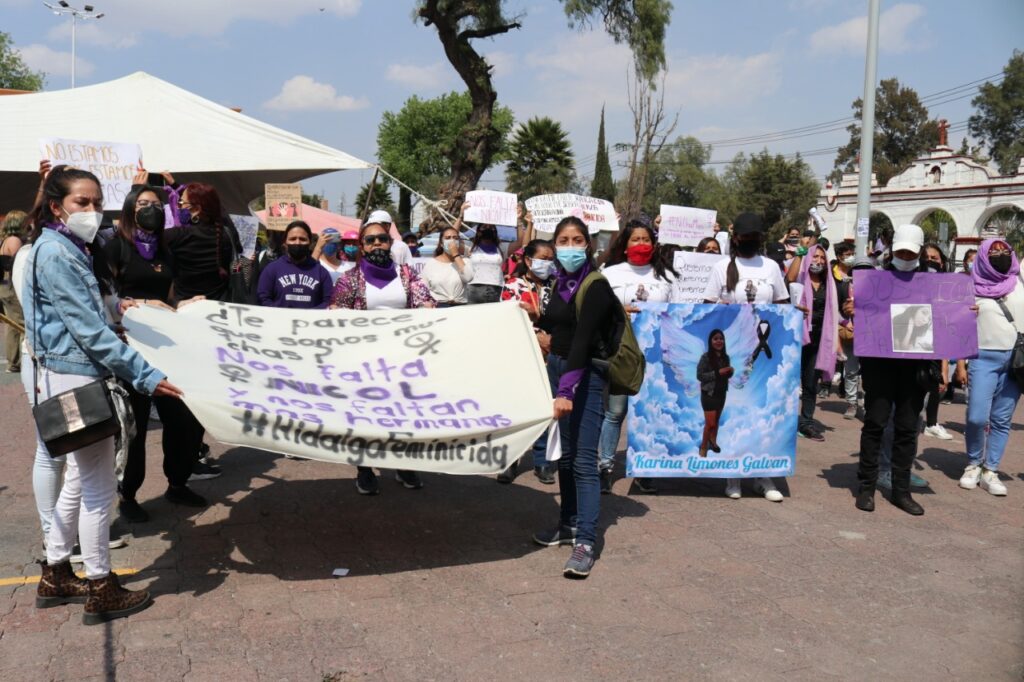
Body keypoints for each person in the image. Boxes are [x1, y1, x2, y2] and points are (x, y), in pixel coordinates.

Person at [24, 165, 183, 624]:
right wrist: (146, 375)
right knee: (96, 486)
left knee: (76, 480)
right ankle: (100, 585)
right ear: (57, 206)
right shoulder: (56, 252)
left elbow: (88, 312)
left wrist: (117, 304)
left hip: (65, 373)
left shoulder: (64, 247)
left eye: (97, 202)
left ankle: (56, 571)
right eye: (81, 202)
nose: (92, 210)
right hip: (77, 377)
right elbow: (90, 331)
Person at [106, 185, 210, 521]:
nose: (151, 209)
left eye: (156, 203)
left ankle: (177, 482)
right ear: (129, 209)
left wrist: (186, 305)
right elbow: (104, 297)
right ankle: (129, 494)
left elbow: (170, 296)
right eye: (144, 204)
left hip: (165, 349)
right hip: (129, 350)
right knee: (134, 426)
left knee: (182, 418)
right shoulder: (114, 247)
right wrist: (135, 307)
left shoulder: (165, 251)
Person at [531, 216, 616, 579]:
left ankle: (586, 540)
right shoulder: (560, 282)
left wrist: (567, 390)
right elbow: (558, 325)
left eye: (576, 239)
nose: (569, 246)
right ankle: (566, 523)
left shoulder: (595, 285)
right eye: (563, 240)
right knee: (563, 456)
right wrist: (531, 318)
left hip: (585, 377)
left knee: (583, 461)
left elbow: (582, 340)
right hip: (559, 368)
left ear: (589, 245)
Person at [329, 220, 435, 494]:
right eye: (370, 240)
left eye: (382, 239)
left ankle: (403, 464)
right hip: (363, 362)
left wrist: (427, 309)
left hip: (403, 360)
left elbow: (426, 302)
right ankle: (364, 468)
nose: (377, 243)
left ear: (390, 243)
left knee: (402, 413)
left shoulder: (407, 275)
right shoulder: (350, 279)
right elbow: (335, 312)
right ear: (361, 247)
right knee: (365, 415)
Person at [703, 212, 789, 502]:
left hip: (764, 354)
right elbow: (705, 310)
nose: (750, 241)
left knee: (763, 410)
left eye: (755, 237)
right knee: (736, 410)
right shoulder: (721, 268)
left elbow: (783, 307)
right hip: (733, 355)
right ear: (736, 238)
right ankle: (733, 474)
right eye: (745, 237)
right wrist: (722, 307)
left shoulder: (772, 267)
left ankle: (763, 475)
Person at [854, 223, 932, 515]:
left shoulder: (931, 283)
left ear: (920, 252)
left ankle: (901, 490)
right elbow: (864, 315)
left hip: (914, 368)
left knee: (907, 428)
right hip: (880, 365)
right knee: (875, 423)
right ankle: (866, 487)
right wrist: (854, 310)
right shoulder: (875, 281)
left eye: (910, 253)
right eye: (900, 251)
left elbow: (947, 320)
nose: (905, 257)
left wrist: (964, 312)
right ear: (891, 250)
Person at [597, 221, 674, 494]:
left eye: (646, 239)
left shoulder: (666, 278)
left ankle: (645, 469)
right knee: (615, 412)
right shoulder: (610, 273)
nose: (641, 244)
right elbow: (599, 308)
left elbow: (677, 315)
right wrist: (620, 312)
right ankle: (605, 466)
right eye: (635, 239)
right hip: (622, 353)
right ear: (625, 244)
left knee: (649, 414)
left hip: (656, 356)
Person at [165, 182, 234, 480]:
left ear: (195, 208)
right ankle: (193, 455)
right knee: (201, 396)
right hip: (212, 329)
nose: (177, 206)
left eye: (182, 202)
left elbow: (140, 237)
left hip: (180, 326)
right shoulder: (223, 238)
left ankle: (185, 463)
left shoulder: (179, 236)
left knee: (180, 401)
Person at [959, 238, 1022, 497]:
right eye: (993, 251)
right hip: (982, 357)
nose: (999, 255)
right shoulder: (968, 287)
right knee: (976, 417)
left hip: (1016, 360)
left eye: (1004, 251)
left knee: (1001, 419)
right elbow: (958, 328)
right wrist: (960, 364)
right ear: (983, 257)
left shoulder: (1019, 282)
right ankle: (973, 463)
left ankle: (990, 469)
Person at [497, 238, 557, 485]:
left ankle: (542, 461)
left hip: (552, 354)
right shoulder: (513, 286)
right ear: (528, 260)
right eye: (542, 258)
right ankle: (511, 460)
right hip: (522, 353)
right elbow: (507, 320)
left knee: (546, 408)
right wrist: (537, 337)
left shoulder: (559, 286)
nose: (547, 263)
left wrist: (551, 337)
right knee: (518, 408)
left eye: (550, 258)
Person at [794, 244, 839, 441]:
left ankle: (806, 423)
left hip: (819, 341)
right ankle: (781, 421)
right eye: (815, 257)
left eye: (822, 258)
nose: (818, 261)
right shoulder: (799, 281)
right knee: (789, 383)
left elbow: (837, 312)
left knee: (811, 383)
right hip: (796, 339)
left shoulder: (830, 284)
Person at [257, 221, 333, 309]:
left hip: (310, 322)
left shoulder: (321, 272)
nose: (298, 242)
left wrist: (309, 315)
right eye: (292, 239)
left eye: (303, 239)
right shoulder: (271, 269)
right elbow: (263, 299)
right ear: (285, 242)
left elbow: (328, 302)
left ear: (309, 242)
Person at [696, 329, 732, 457]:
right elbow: (699, 376)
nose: (719, 341)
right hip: (709, 395)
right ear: (711, 341)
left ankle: (713, 442)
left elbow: (725, 375)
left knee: (716, 421)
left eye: (721, 338)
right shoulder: (705, 357)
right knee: (710, 424)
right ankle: (703, 447)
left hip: (721, 393)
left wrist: (729, 372)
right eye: (715, 338)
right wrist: (718, 372)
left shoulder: (726, 357)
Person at [419, 225, 474, 307]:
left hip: (460, 307)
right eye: (448, 238)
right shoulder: (431, 264)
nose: (452, 241)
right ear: (441, 243)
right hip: (439, 307)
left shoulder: (464, 261)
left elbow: (468, 277)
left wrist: (456, 255)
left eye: (455, 238)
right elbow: (423, 288)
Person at [1, 210, 28, 373]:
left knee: (11, 326)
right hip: (11, 287)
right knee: (22, 324)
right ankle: (23, 361)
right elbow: (19, 266)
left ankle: (13, 362)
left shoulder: (5, 240)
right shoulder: (15, 241)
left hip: (4, 287)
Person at [465, 216, 504, 304]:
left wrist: (520, 221)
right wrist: (460, 216)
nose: (488, 229)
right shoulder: (470, 247)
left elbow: (521, 243)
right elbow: (452, 239)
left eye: (491, 227)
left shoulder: (501, 248)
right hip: (473, 289)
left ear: (495, 231)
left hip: (495, 288)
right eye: (485, 227)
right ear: (478, 231)